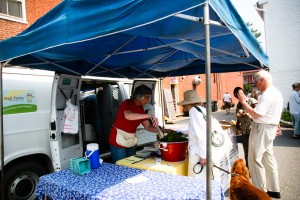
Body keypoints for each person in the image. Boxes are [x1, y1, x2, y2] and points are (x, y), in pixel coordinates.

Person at [237, 70, 282, 199]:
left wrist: (244, 102)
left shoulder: (267, 94)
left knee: (254, 159)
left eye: (256, 83)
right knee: (268, 157)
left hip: (261, 128)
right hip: (269, 127)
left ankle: (259, 191)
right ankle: (274, 189)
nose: (257, 86)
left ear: (261, 80)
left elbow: (257, 115)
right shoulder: (276, 92)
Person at [109, 85, 160, 163]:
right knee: (120, 164)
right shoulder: (127, 103)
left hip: (130, 139)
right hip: (118, 138)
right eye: (147, 97)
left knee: (131, 162)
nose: (149, 100)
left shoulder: (140, 108)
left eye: (149, 97)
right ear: (139, 96)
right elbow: (128, 116)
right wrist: (150, 116)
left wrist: (160, 130)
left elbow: (148, 126)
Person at [177, 90, 220, 180]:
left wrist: (204, 156)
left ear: (187, 104)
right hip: (207, 150)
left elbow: (202, 133)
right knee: (210, 179)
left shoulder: (193, 111)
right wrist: (181, 132)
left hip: (199, 152)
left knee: (199, 180)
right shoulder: (202, 110)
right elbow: (197, 129)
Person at [233, 87, 258, 169]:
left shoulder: (251, 101)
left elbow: (258, 112)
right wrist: (237, 127)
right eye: (239, 95)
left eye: (242, 93)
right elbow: (238, 117)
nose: (242, 96)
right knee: (247, 151)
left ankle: (257, 169)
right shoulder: (238, 106)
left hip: (253, 130)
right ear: (236, 96)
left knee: (256, 151)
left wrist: (249, 113)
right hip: (244, 131)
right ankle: (249, 170)